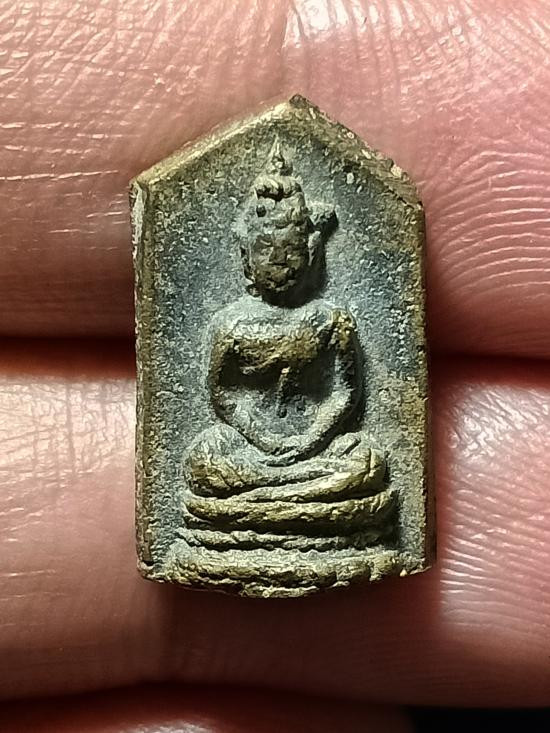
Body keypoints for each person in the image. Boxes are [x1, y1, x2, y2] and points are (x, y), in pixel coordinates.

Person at [1, 1, 549, 730]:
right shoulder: (231, 322)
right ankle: (253, 531)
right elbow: (220, 397)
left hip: (322, 450)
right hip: (248, 450)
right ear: (246, 256)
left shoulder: (332, 318)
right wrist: (259, 436)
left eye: (292, 255)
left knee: (364, 463)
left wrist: (312, 436)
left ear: (312, 252)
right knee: (204, 461)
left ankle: (297, 527)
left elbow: (348, 398)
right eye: (268, 255)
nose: (281, 267)